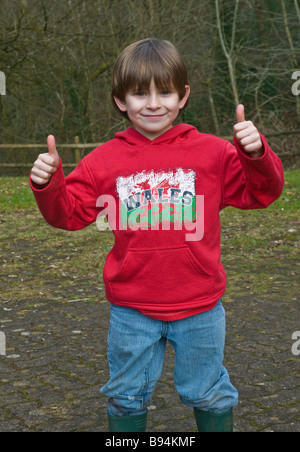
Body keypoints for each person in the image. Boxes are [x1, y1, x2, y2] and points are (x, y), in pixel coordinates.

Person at [29, 38, 284, 432]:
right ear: (119, 100)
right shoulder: (103, 161)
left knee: (209, 392)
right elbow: (70, 214)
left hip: (200, 305)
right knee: (126, 397)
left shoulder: (214, 154)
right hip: (132, 308)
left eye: (164, 92)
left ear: (182, 96)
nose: (152, 103)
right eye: (138, 93)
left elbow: (262, 192)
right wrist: (49, 183)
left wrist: (256, 155)